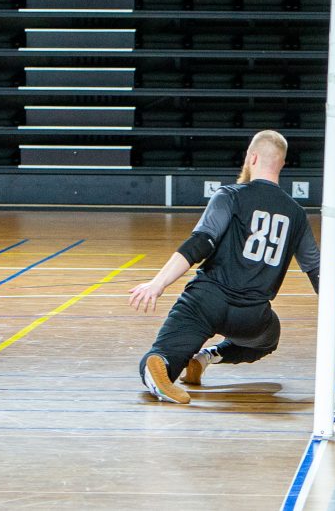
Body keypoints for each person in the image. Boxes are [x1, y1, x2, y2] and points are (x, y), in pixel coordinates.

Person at [129, 130, 320, 404]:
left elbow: (200, 243)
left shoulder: (230, 195)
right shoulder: (296, 214)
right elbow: (315, 269)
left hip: (206, 302)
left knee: (160, 358)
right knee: (269, 337)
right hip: (251, 316)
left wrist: (157, 284)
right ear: (282, 164)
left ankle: (161, 377)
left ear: (251, 157)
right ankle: (208, 357)